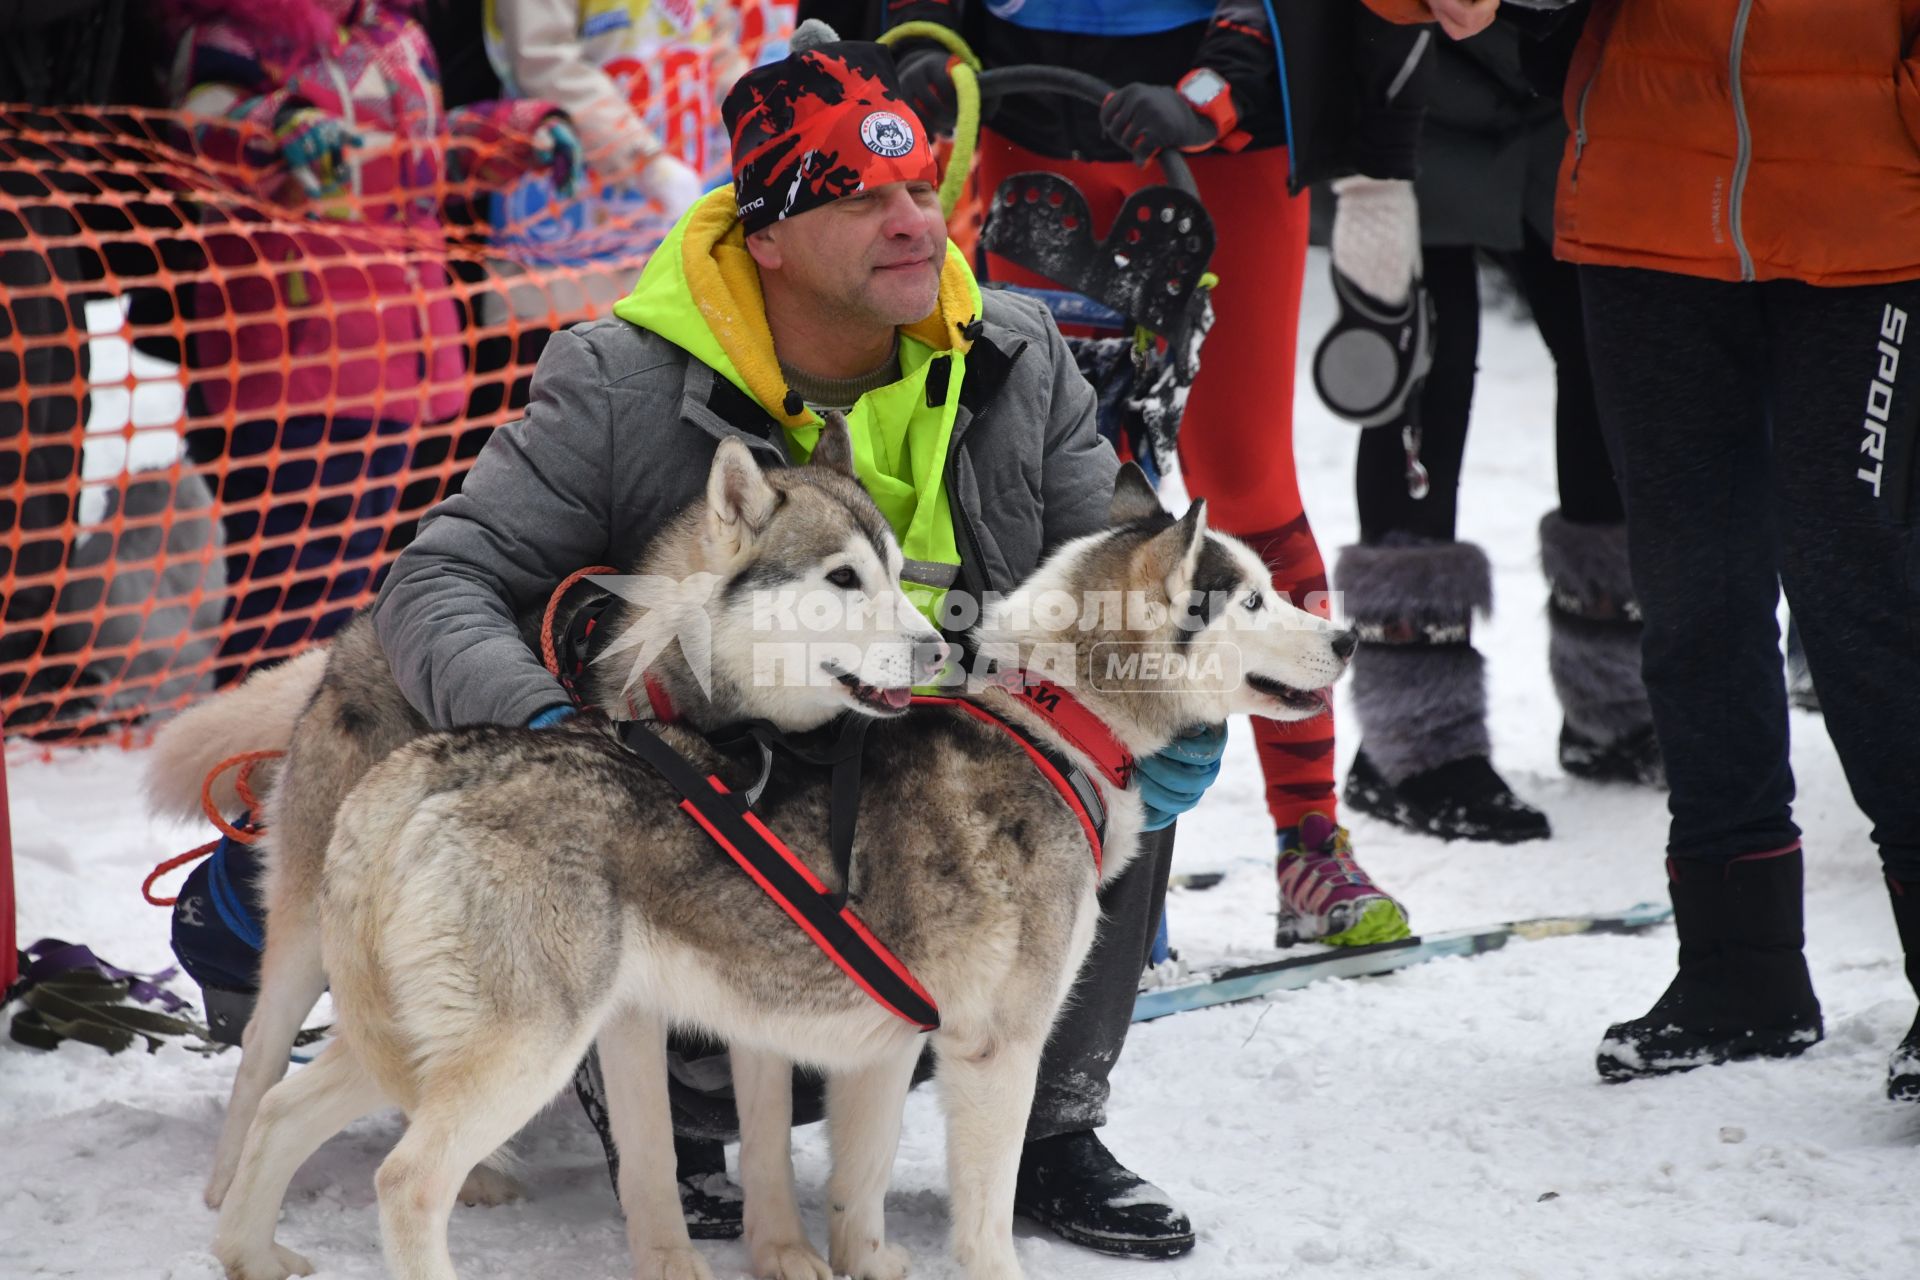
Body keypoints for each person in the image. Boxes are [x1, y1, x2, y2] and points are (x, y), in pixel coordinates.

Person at [371, 24, 1226, 1256]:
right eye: (860, 196)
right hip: (700, 800)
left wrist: (1164, 677)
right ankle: (663, 1105)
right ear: (764, 234)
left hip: (937, 768)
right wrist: (555, 732)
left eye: (922, 188)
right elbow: (439, 583)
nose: (913, 222)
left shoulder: (1017, 352)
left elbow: (1116, 567)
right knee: (723, 1051)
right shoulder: (619, 380)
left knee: (1113, 751)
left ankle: (1052, 1126)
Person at [1392, 0, 1918, 1099]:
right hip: (1645, 210)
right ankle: (1742, 969)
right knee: (1692, 598)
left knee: (1857, 588)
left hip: (1871, 217)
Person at [884, 0, 1431, 948]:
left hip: (1221, 139)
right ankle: (1103, 853)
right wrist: (926, 38)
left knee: (1248, 484)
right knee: (1072, 500)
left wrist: (1214, 90)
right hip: (1032, 113)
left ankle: (1310, 837)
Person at [157, 0, 579, 683]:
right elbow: (202, 126)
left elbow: (423, 154)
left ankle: (305, 756)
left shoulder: (397, 34)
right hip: (296, 347)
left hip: (399, 348)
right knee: (292, 593)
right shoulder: (235, 28)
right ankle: (248, 765)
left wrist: (517, 136)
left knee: (351, 587)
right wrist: (277, 123)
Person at [1327, 12, 1659, 848]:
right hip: (1409, 93)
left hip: (1568, 97)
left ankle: (1614, 704)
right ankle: (1413, 744)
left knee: (1606, 368)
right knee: (1422, 385)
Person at [481, 0, 721, 219]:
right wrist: (647, 162)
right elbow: (545, 63)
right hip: (571, 208)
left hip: (686, 166)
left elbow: (716, 31)